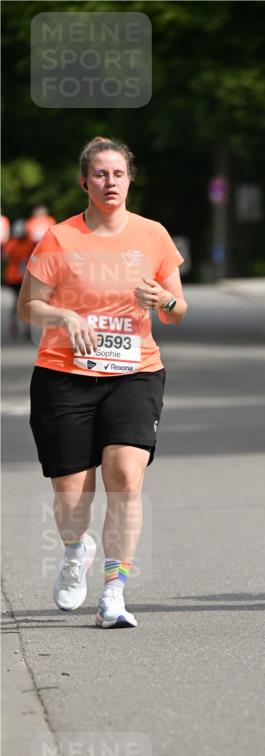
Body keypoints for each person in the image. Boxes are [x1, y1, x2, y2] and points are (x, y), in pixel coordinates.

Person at [18, 136, 187, 627]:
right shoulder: (60, 237)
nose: (109, 182)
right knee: (72, 496)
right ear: (84, 181)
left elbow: (178, 312)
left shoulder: (153, 235)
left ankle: (114, 590)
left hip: (134, 372)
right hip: (63, 374)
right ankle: (76, 551)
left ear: (130, 179)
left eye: (117, 174)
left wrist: (164, 300)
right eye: (99, 174)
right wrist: (63, 316)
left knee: (125, 476)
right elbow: (28, 304)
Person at [3, 219, 35, 337]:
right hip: (15, 278)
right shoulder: (14, 243)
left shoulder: (25, 242)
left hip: (21, 277)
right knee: (20, 302)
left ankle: (22, 328)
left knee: (20, 302)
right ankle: (17, 327)